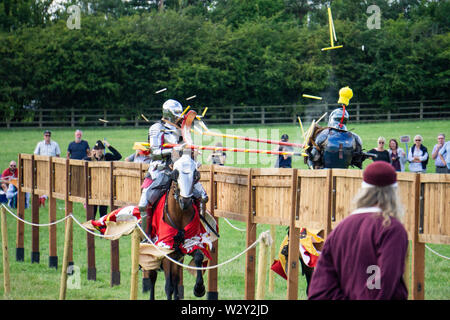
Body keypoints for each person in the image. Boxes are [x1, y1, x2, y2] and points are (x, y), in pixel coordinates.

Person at [308, 161, 408, 300]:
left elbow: (320, 290)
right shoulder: (391, 229)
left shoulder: (340, 229)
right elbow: (385, 283)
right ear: (393, 194)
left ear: (364, 191)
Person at [138, 99, 208, 225]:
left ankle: (199, 231)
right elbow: (155, 153)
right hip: (161, 170)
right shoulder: (157, 128)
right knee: (143, 204)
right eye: (176, 114)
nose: (179, 117)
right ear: (168, 114)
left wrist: (193, 153)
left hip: (181, 170)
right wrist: (173, 150)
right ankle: (146, 237)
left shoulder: (182, 129)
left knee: (202, 196)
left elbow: (187, 149)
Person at [307, 86, 367, 169]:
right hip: (345, 174)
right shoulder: (355, 138)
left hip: (325, 173)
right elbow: (357, 160)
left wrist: (308, 153)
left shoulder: (324, 135)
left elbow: (314, 158)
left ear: (332, 119)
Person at [83, 140, 122, 218]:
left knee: (103, 213)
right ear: (95, 150)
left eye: (101, 149)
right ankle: (91, 229)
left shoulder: (107, 157)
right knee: (92, 213)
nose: (100, 151)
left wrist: (109, 146)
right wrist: (91, 155)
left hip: (104, 187)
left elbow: (119, 156)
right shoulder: (89, 159)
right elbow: (82, 162)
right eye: (98, 149)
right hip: (93, 188)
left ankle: (102, 229)